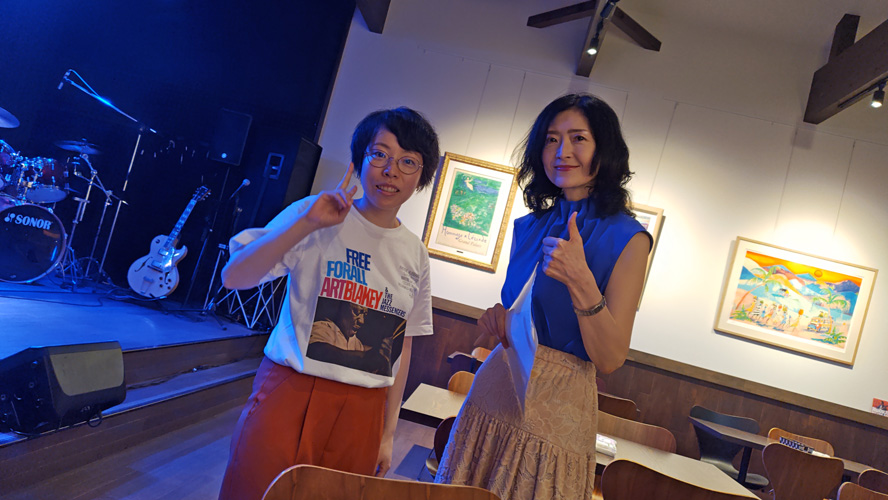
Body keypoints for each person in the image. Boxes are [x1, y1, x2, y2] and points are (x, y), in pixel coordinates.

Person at [435, 93, 651, 500]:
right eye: (552, 139)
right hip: (496, 391)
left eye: (578, 138)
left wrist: (581, 279)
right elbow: (526, 313)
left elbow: (610, 358)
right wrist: (502, 319)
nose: (561, 151)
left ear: (604, 149)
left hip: (558, 411)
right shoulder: (530, 225)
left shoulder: (629, 238)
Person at [218, 107, 440, 500]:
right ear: (359, 161)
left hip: (364, 411)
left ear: (421, 176)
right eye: (380, 154)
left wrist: (388, 434)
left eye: (408, 161)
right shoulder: (315, 213)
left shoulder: (415, 254)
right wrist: (308, 223)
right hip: (289, 390)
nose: (391, 171)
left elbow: (401, 349)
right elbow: (235, 277)